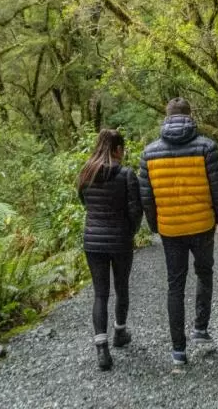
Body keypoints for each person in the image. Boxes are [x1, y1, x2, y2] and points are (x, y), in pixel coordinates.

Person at [138, 98, 218, 366]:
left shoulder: (149, 153)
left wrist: (156, 225)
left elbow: (147, 198)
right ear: (190, 116)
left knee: (175, 285)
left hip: (170, 229)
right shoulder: (207, 147)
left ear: (166, 118)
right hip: (202, 225)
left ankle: (179, 350)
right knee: (204, 273)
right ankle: (201, 328)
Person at [77, 129, 143, 371]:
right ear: (117, 149)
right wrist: (131, 231)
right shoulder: (126, 174)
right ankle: (119, 332)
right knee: (121, 287)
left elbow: (84, 202)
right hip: (120, 241)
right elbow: (136, 210)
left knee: (100, 294)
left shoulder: (86, 173)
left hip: (93, 242)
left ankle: (102, 349)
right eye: (122, 149)